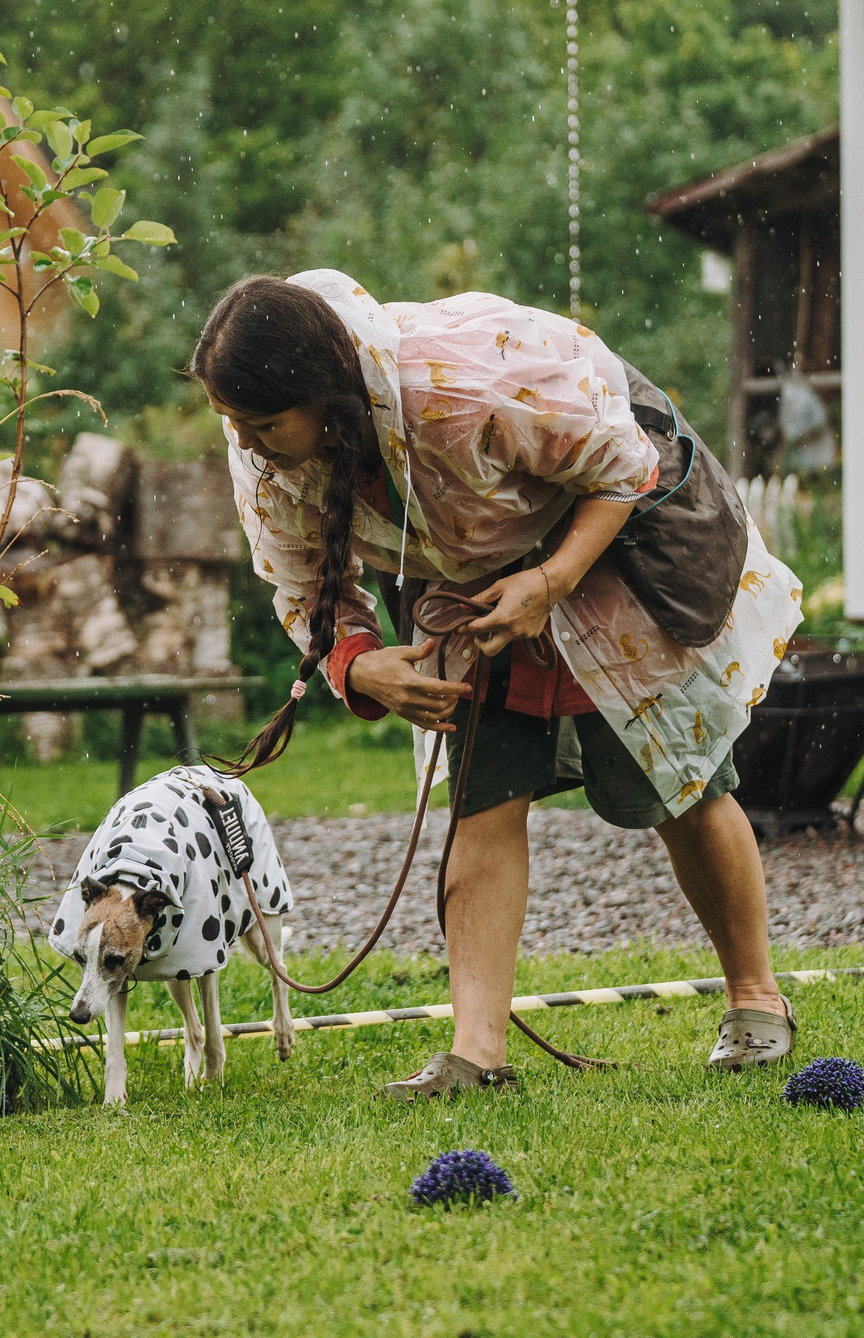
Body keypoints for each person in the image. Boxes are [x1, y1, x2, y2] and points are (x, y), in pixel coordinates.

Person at [188, 270, 804, 1099]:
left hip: (600, 547)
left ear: (325, 392)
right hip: (473, 591)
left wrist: (550, 581)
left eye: (262, 423)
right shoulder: (261, 440)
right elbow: (303, 585)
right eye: (234, 424)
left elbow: (626, 463)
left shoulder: (463, 382)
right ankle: (476, 1056)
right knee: (482, 797)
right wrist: (358, 662)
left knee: (678, 784)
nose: (248, 443)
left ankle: (757, 999)